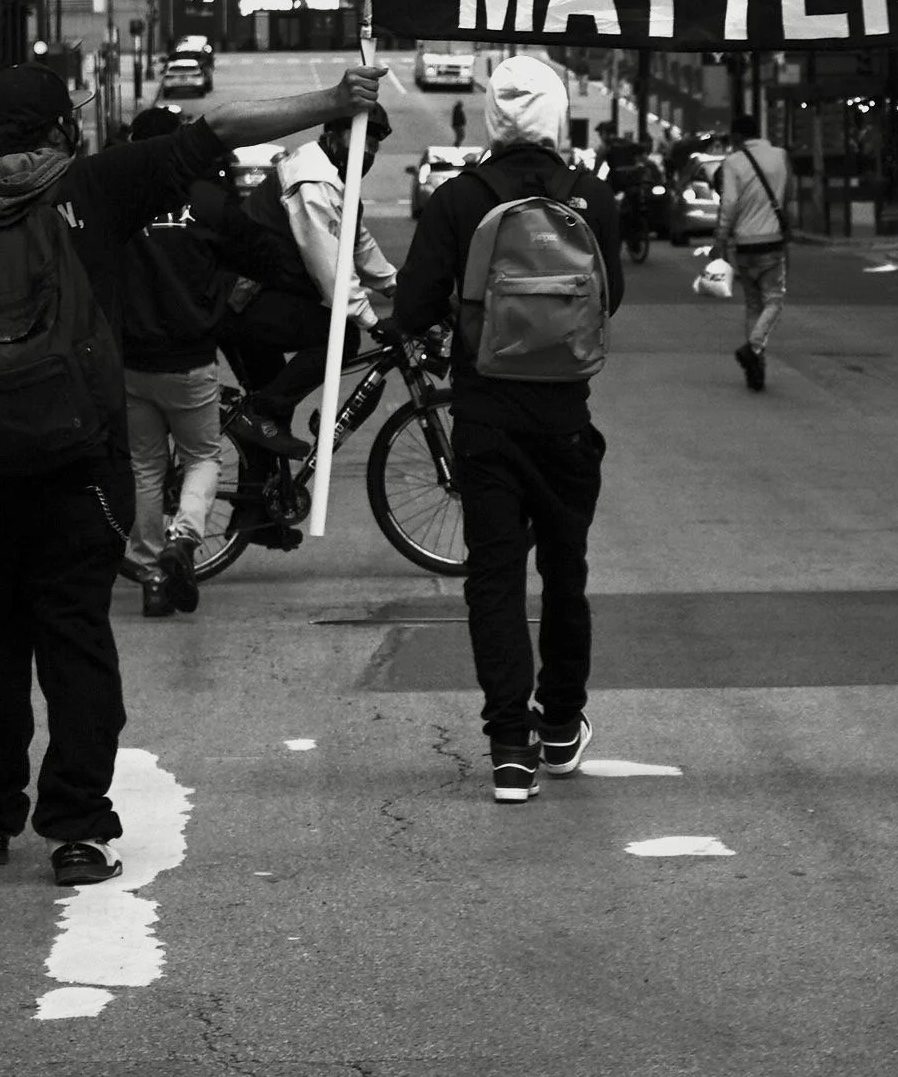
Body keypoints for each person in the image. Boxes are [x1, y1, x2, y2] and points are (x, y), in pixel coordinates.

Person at [0, 56, 384, 884]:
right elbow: (222, 129)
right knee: (75, 636)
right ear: (59, 128)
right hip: (83, 460)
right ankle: (77, 828)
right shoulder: (99, 188)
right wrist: (333, 102)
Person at [390, 53, 622, 802]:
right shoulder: (590, 198)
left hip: (485, 416)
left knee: (494, 579)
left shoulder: (460, 200)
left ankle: (509, 749)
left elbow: (417, 307)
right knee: (566, 572)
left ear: (490, 116)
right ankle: (561, 725)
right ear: (557, 114)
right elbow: (605, 302)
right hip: (564, 419)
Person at [118, 107, 308, 616]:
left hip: (131, 358)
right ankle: (185, 537)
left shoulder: (116, 206)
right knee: (202, 455)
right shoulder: (204, 201)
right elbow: (261, 255)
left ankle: (151, 573)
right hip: (191, 356)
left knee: (145, 465)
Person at [219, 107, 397, 446]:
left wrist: (397, 289)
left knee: (268, 420)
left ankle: (262, 494)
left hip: (262, 296)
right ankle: (259, 418)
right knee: (340, 337)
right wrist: (372, 321)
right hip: (243, 300)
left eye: (374, 146)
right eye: (360, 140)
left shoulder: (333, 179)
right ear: (332, 136)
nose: (368, 152)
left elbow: (359, 246)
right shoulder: (313, 179)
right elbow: (330, 266)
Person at [711, 109, 790, 391]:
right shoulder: (780, 156)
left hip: (744, 243)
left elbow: (728, 203)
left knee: (753, 304)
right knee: (775, 300)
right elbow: (786, 195)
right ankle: (753, 349)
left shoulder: (733, 162)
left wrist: (720, 238)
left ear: (737, 136)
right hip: (773, 240)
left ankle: (756, 363)